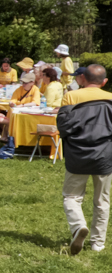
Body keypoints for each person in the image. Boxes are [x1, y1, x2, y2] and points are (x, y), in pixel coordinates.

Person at [56, 64, 112, 255]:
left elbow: (63, 126)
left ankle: (78, 226)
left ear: (83, 79)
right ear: (104, 82)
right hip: (105, 156)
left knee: (71, 197)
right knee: (102, 201)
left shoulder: (71, 96)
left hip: (78, 155)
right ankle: (98, 244)